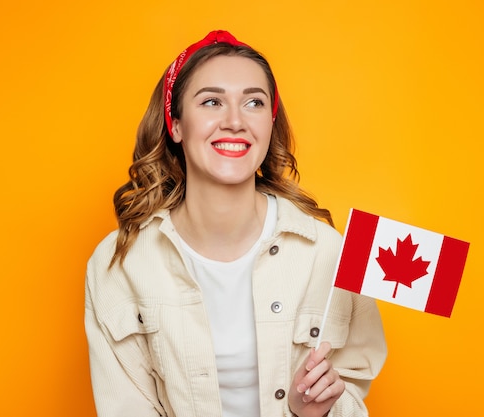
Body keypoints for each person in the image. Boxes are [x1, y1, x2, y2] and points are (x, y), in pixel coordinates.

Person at [84, 30, 387, 417]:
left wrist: (315, 411)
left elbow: (353, 393)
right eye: (212, 101)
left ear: (269, 124)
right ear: (175, 125)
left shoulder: (329, 252)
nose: (234, 121)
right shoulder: (118, 264)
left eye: (254, 103)